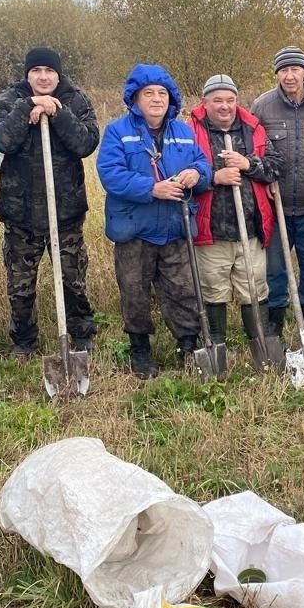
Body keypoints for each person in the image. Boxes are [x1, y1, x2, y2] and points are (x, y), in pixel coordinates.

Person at [96, 64, 212, 378]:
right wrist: (152, 189)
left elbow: (204, 165)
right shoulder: (118, 132)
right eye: (149, 93)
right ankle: (140, 350)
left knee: (183, 290)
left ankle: (187, 346)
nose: (157, 99)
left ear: (171, 99)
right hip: (134, 229)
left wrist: (196, 174)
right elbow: (111, 175)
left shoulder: (184, 133)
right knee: (134, 290)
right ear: (135, 98)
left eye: (162, 93)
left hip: (176, 228)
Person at [0, 47, 100, 358]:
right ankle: (23, 341)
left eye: (49, 71)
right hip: (20, 212)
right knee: (20, 285)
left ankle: (81, 333)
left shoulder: (76, 100)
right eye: (36, 71)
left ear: (58, 74)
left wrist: (57, 112)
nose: (43, 76)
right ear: (28, 75)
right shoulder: (11, 100)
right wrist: (27, 108)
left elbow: (86, 143)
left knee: (72, 278)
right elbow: (0, 141)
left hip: (65, 211)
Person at [188, 74, 283, 344]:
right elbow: (180, 173)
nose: (224, 106)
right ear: (204, 102)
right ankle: (216, 343)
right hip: (211, 231)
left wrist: (248, 164)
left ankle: (260, 343)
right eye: (217, 100)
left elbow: (276, 166)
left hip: (251, 231)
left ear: (237, 101)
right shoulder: (190, 132)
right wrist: (215, 177)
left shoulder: (253, 129)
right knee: (213, 290)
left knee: (254, 287)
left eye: (230, 100)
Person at [251, 46, 304, 339]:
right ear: (277, 74)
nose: (289, 75)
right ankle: (275, 315)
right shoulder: (262, 107)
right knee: (275, 267)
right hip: (276, 206)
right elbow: (254, 153)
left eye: (294, 69)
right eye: (283, 70)